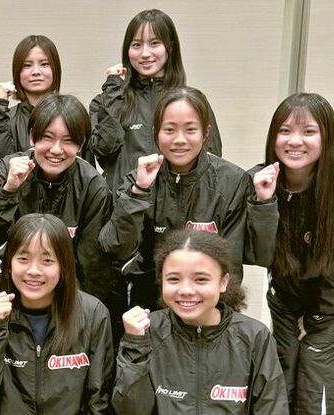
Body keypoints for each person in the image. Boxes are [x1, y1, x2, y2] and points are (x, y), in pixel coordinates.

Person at [99, 87, 275, 316]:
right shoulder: (139, 179)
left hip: (212, 309)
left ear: (205, 132)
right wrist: (138, 193)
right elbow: (116, 248)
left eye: (190, 129)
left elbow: (236, 262)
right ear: (156, 133)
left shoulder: (231, 181)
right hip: (151, 307)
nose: (179, 139)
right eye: (169, 129)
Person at [253, 92, 334, 414]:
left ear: (326, 138)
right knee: (285, 360)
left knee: (315, 362)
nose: (295, 141)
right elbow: (258, 254)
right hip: (286, 289)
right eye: (285, 131)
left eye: (308, 132)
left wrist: (317, 318)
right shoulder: (260, 182)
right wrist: (263, 204)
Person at [113, 229, 288, 414]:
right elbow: (130, 411)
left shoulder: (254, 337)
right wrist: (135, 345)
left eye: (201, 279)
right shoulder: (146, 331)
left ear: (223, 282)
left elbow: (272, 408)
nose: (186, 290)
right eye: (173, 279)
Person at [0, 213, 114, 413]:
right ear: (8, 265)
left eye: (47, 260)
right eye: (23, 259)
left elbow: (99, 402)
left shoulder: (93, 313)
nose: (34, 270)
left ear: (64, 266)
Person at [0, 93, 112, 302]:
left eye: (68, 140)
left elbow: (91, 263)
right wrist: (9, 190)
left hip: (67, 296)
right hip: (11, 292)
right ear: (33, 137)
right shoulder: (9, 168)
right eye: (48, 137)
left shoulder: (92, 184)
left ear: (81, 144)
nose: (56, 150)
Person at [89, 9, 222, 190]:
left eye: (154, 43)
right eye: (137, 45)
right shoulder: (107, 99)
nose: (145, 53)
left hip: (178, 203)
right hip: (124, 203)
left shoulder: (192, 102)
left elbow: (211, 162)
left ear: (170, 47)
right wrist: (113, 90)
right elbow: (104, 150)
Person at [0, 35, 62, 166]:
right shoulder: (4, 119)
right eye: (27, 65)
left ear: (55, 69)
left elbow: (85, 169)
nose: (36, 72)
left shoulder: (71, 115)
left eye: (44, 64)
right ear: (17, 72)